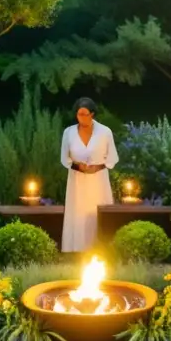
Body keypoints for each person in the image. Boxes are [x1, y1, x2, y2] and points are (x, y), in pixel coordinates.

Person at [61, 97, 119, 253]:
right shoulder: (69, 132)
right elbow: (64, 158)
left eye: (85, 114)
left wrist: (97, 166)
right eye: (79, 114)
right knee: (78, 212)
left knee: (95, 212)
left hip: (98, 179)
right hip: (77, 180)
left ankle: (100, 248)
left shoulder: (105, 132)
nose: (81, 117)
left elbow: (112, 158)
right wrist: (77, 165)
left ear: (92, 114)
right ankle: (76, 249)